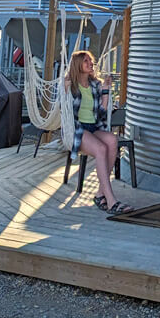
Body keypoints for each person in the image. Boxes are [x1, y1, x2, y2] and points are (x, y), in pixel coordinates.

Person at [65, 49, 132, 215]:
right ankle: (110, 200)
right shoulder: (70, 85)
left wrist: (106, 92)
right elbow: (65, 109)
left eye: (91, 60)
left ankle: (100, 194)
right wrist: (65, 89)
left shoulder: (95, 84)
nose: (90, 63)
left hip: (94, 127)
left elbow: (102, 112)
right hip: (77, 130)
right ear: (77, 65)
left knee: (112, 141)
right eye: (86, 61)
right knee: (101, 149)